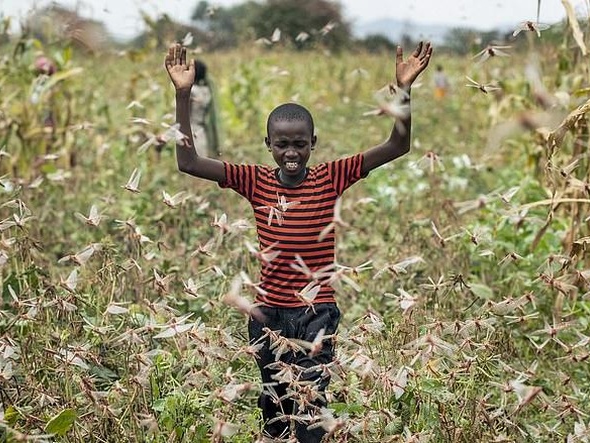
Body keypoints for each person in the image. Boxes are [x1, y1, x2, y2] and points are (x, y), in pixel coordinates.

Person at [164, 41, 432, 442]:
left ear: (313, 143)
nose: (292, 152)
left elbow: (398, 145)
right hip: (267, 314)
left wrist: (404, 89)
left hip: (316, 314)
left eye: (300, 143)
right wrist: (182, 96)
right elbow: (188, 163)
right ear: (268, 145)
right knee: (274, 409)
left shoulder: (332, 176)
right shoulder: (254, 180)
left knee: (309, 408)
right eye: (283, 144)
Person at [190, 59, 221, 158]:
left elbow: (183, 116)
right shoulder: (206, 91)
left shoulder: (191, 92)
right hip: (201, 132)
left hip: (190, 131)